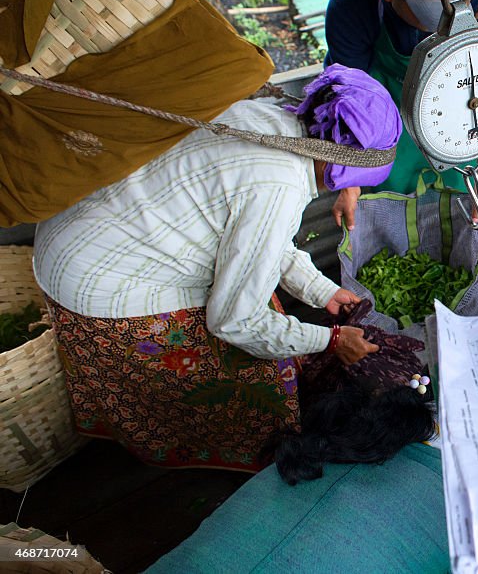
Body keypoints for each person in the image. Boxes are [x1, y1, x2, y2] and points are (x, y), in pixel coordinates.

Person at [33, 66, 406, 473]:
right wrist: (331, 340)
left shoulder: (267, 118)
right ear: (343, 169)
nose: (350, 189)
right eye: (355, 181)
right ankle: (238, 449)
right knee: (255, 366)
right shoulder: (278, 188)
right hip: (101, 277)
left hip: (78, 229)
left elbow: (259, 235)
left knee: (265, 305)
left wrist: (321, 291)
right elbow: (235, 321)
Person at [323, 0, 478, 308]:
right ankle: (414, 261)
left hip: (466, 104)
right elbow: (350, 101)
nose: (444, 17)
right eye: (428, 11)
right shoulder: (351, 4)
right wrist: (350, 181)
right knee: (393, 190)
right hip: (388, 110)